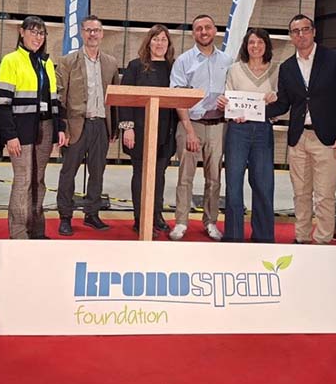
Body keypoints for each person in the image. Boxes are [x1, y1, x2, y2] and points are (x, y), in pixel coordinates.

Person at [266, 15, 336, 244]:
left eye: (305, 29)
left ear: (314, 31)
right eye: (296, 31)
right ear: (291, 36)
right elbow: (283, 104)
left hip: (327, 138)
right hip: (298, 139)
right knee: (300, 194)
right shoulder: (287, 67)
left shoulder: (334, 59)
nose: (301, 35)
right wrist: (254, 109)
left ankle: (323, 241)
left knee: (324, 195)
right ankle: (302, 238)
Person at [0, 16, 66, 240]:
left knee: (38, 180)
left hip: (45, 127)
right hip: (21, 130)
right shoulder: (11, 60)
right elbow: (2, 103)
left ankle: (36, 230)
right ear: (21, 32)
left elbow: (54, 100)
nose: (38, 37)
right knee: (23, 180)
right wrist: (10, 135)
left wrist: (59, 128)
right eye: (33, 32)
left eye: (41, 33)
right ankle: (18, 233)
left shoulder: (46, 63)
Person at [169, 14, 233, 241]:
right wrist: (189, 131)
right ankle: (181, 222)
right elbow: (177, 97)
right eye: (198, 28)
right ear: (193, 33)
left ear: (215, 30)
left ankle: (211, 221)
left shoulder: (228, 60)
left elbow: (234, 91)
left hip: (218, 126)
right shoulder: (183, 61)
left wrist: (229, 102)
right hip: (191, 124)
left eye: (207, 27)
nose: (203, 32)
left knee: (214, 178)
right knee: (185, 177)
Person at [55, 15, 119, 236]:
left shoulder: (111, 63)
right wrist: (62, 127)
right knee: (68, 173)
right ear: (82, 33)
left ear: (102, 34)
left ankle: (92, 214)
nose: (93, 34)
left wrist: (114, 127)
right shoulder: (68, 61)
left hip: (101, 125)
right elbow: (60, 96)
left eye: (96, 30)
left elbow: (115, 97)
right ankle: (65, 217)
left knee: (97, 173)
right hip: (75, 126)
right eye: (89, 30)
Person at [219, 28, 279, 243]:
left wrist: (275, 101)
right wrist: (226, 105)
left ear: (266, 45)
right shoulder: (235, 69)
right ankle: (234, 235)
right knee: (234, 184)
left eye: (260, 42)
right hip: (238, 130)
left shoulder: (277, 70)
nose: (255, 46)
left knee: (263, 184)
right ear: (246, 45)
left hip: (263, 130)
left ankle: (263, 237)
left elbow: (282, 103)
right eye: (251, 42)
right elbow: (228, 97)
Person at [119, 24, 177, 235]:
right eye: (155, 39)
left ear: (168, 44)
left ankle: (156, 214)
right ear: (148, 42)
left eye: (163, 39)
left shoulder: (174, 68)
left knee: (159, 175)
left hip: (165, 131)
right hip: (140, 131)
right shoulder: (135, 66)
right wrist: (128, 128)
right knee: (141, 174)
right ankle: (140, 218)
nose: (159, 43)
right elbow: (124, 98)